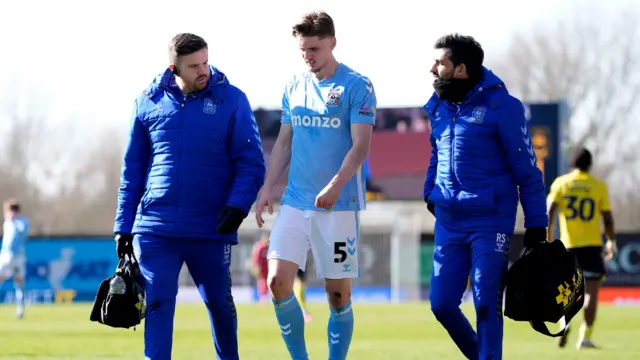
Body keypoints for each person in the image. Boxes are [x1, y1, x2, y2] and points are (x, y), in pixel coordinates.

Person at [113, 33, 265, 360]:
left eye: (206, 62)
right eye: (194, 66)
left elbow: (251, 163)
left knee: (220, 306)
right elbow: (132, 170)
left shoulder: (232, 100)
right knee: (156, 304)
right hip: (155, 228)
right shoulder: (147, 101)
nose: (203, 71)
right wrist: (123, 226)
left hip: (211, 227)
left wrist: (237, 206)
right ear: (174, 68)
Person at [255, 11, 377, 360]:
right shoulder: (294, 86)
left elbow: (361, 145)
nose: (308, 55)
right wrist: (267, 188)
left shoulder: (357, 85)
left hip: (338, 205)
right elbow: (283, 143)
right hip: (295, 201)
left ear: (332, 43)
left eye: (315, 48)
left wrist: (337, 185)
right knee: (278, 282)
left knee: (337, 295)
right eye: (303, 49)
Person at [422, 34, 548, 360]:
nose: (431, 68)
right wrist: (430, 194)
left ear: (461, 69)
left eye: (440, 63)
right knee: (442, 305)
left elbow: (528, 172)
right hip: (449, 221)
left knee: (485, 300)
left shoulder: (503, 107)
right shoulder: (437, 106)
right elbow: (437, 154)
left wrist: (537, 225)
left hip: (490, 220)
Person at [546, 147, 616, 349]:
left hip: (568, 246)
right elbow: (608, 219)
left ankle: (564, 322)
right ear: (590, 164)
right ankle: (585, 337)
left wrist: (549, 239)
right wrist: (611, 241)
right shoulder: (598, 186)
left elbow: (549, 212)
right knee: (591, 293)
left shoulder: (561, 183)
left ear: (572, 163)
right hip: (592, 246)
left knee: (566, 290)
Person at [0, 199, 30, 319]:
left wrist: (14, 221)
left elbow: (22, 233)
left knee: (19, 283)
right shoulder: (7, 222)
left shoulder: (22, 222)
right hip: (6, 256)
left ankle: (20, 310)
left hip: (18, 257)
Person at [249, 230, 270, 303]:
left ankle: (267, 297)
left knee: (269, 282)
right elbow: (255, 257)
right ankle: (263, 298)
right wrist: (254, 266)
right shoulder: (259, 247)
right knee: (262, 282)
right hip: (261, 268)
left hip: (269, 268)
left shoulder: (269, 247)